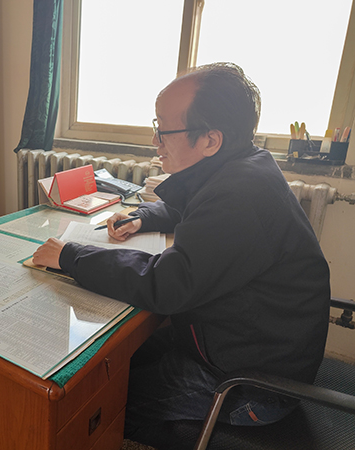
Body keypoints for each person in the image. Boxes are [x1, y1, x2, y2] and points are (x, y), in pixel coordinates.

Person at [32, 62, 330, 448]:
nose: (155, 141)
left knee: (94, 402)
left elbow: (165, 284)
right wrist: (143, 217)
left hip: (248, 384)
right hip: (235, 343)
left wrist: (71, 256)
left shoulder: (239, 196)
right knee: (110, 362)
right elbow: (190, 205)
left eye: (163, 130)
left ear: (210, 140)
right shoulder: (243, 166)